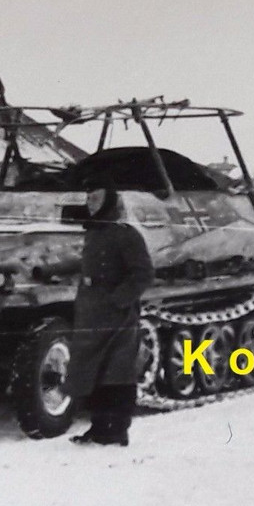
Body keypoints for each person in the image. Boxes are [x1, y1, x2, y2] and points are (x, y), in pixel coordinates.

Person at [65, 186, 155, 447]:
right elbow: (84, 265)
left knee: (118, 374)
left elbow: (143, 273)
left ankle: (117, 430)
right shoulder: (94, 233)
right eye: (89, 199)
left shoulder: (126, 235)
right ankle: (99, 428)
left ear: (110, 202)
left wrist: (119, 299)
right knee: (95, 372)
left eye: (97, 199)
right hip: (92, 313)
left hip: (117, 316)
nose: (91, 204)